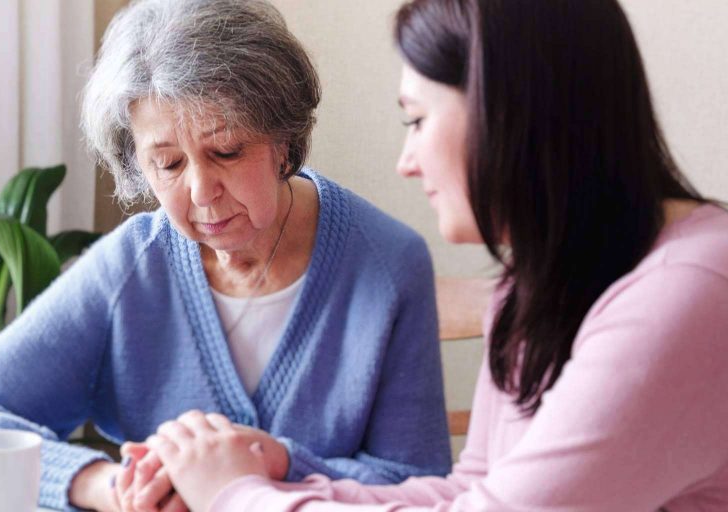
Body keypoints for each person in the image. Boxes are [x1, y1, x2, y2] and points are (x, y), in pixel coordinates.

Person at [127, 0, 728, 511]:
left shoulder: (689, 293)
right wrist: (276, 469)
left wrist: (235, 495)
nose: (406, 162)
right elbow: (473, 488)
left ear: (509, 113)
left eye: (416, 120)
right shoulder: (541, 280)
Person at [0, 0, 453, 510]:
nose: (200, 191)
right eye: (168, 164)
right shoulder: (132, 267)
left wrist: (273, 463)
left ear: (283, 140)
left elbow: (418, 483)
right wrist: (108, 485)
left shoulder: (389, 264)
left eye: (226, 152)